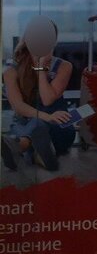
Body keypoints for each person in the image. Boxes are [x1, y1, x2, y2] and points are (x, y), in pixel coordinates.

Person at [2, 23, 73, 173]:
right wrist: (47, 116)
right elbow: (18, 107)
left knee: (37, 127)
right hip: (26, 123)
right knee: (35, 125)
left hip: (58, 126)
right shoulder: (11, 72)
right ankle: (37, 155)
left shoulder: (64, 66)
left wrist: (41, 68)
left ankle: (20, 147)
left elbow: (47, 100)